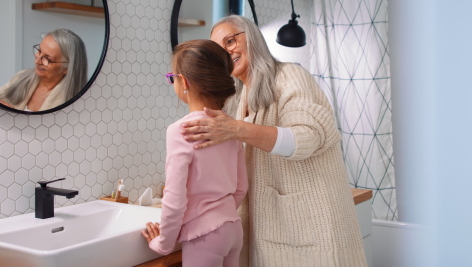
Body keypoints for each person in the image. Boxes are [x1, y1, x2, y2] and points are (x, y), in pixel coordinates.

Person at [180, 15, 368, 266]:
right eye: (219, 49)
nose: (227, 51)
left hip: (311, 226)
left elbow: (307, 137)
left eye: (231, 40)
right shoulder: (239, 96)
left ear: (253, 37)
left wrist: (236, 128)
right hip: (271, 228)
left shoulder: (289, 76)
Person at [142, 39, 248, 267]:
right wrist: (221, 213)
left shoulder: (181, 131)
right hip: (233, 228)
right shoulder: (228, 126)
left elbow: (175, 198)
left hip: (205, 235)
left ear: (184, 82)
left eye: (172, 78)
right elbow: (241, 187)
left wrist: (164, 243)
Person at [0, 28, 87, 111]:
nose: (37, 61)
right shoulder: (19, 78)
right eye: (39, 51)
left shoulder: (77, 104)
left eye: (47, 59)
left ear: (67, 68)